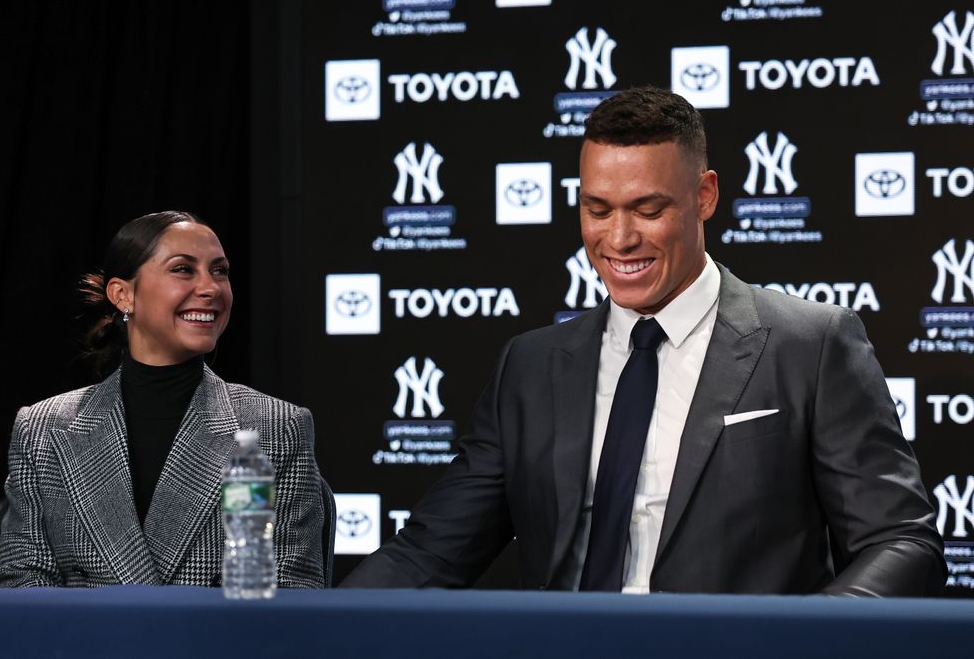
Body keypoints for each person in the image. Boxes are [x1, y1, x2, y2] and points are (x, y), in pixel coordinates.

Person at [342, 87, 945, 595]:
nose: (619, 239)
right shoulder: (530, 366)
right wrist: (310, 628)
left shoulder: (809, 345)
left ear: (704, 196)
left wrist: (797, 638)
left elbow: (901, 541)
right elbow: (430, 554)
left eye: (648, 209)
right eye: (597, 209)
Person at [0, 211, 327, 588]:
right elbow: (20, 582)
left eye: (219, 271)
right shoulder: (43, 428)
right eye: (183, 269)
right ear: (123, 295)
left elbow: (288, 596)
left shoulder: (276, 427)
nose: (211, 287)